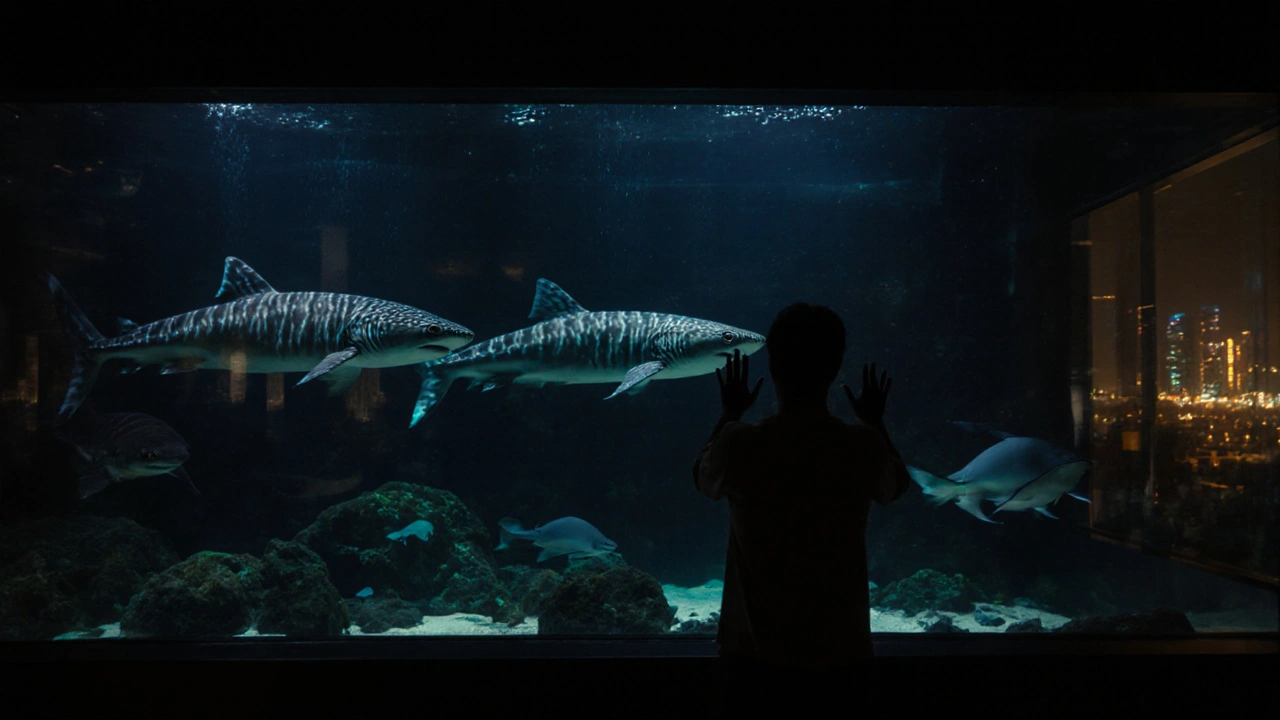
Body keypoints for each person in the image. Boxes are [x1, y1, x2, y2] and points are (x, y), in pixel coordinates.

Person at [692, 302, 911, 713]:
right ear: (836, 367)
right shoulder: (861, 446)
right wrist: (875, 422)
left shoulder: (740, 443)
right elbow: (895, 486)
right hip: (842, 659)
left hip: (753, 660)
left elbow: (702, 479)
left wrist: (729, 412)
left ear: (771, 366)